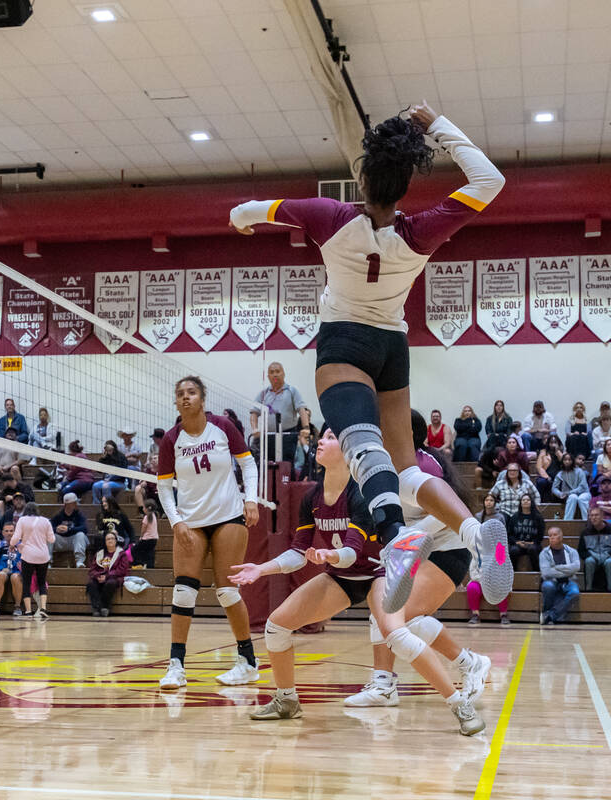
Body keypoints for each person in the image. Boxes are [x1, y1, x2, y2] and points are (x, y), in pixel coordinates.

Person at [230, 101, 510, 615]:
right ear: (405, 186)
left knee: (362, 447)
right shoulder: (421, 230)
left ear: (361, 179)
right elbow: (489, 180)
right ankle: (473, 531)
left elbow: (249, 210)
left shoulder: (328, 216)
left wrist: (241, 219)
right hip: (392, 346)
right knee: (406, 466)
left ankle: (396, 536)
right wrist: (438, 125)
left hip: (345, 342)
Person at [230, 427, 489, 734]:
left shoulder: (365, 493)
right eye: (322, 437)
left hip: (377, 571)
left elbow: (353, 552)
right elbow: (297, 552)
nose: (321, 441)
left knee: (397, 633)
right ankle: (286, 699)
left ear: (348, 450)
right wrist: (263, 569)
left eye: (329, 437)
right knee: (276, 625)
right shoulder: (312, 496)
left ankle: (460, 704)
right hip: (342, 576)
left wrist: (330, 556)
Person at [156, 375, 261, 689]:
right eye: (180, 394)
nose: (185, 397)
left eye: (191, 393)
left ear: (203, 398)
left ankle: (247, 662)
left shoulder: (223, 427)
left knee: (227, 591)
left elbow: (248, 464)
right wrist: (176, 521)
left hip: (228, 516)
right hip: (191, 522)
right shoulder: (171, 440)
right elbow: (163, 487)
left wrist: (251, 499)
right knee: (183, 592)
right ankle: (176, 665)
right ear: (176, 402)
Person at [249, 361, 311, 464]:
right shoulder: (263, 394)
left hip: (288, 435)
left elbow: (302, 409)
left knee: (287, 464)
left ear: (283, 373)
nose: (275, 374)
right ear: (268, 376)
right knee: (268, 465)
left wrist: (306, 428)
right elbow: (254, 412)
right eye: (272, 372)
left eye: (278, 371)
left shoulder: (292, 391)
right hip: (268, 436)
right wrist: (255, 429)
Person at [11, 502, 54, 621]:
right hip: (43, 555)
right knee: (41, 582)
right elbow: (52, 539)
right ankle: (43, 609)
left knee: (26, 583)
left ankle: (28, 611)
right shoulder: (45, 521)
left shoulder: (22, 520)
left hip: (28, 555)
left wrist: (12, 544)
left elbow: (16, 537)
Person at [539, 527, 580, 624]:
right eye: (550, 536)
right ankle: (546, 611)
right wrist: (567, 569)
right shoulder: (544, 553)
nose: (552, 538)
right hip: (551, 580)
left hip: (568, 580)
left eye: (555, 535)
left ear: (561, 537)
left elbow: (576, 567)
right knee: (548, 586)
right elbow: (546, 572)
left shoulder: (572, 551)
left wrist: (557, 567)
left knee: (574, 592)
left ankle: (550, 615)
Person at [87, 531, 131, 616]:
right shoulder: (99, 554)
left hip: (114, 577)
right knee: (91, 583)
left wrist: (106, 576)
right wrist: (97, 576)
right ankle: (96, 608)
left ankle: (105, 607)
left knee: (110, 583)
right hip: (100, 577)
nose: (110, 540)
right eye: (108, 539)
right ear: (105, 542)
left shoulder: (121, 554)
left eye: (112, 538)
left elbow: (121, 570)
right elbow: (92, 570)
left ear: (115, 541)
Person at [579, 511, 611, 592]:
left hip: (610, 557)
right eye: (591, 515)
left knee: (609, 562)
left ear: (602, 517)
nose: (594, 517)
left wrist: (609, 555)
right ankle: (588, 590)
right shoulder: (585, 532)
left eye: (596, 515)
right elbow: (581, 550)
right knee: (589, 561)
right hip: (592, 557)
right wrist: (590, 555)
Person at [0, 520, 27, 616]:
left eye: (11, 531)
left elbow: (24, 561)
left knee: (15, 577)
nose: (9, 533)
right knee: (1, 575)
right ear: (2, 533)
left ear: (15, 532)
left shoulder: (21, 545)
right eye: (6, 531)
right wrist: (0, 568)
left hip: (17, 571)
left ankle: (18, 607)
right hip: (3, 570)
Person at [50, 491, 90, 567]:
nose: (76, 504)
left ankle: (79, 562)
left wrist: (69, 529)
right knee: (50, 536)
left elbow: (85, 528)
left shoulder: (79, 514)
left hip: (74, 542)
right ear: (67, 504)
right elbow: (49, 528)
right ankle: (48, 562)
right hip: (61, 542)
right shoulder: (58, 515)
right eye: (74, 502)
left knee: (80, 535)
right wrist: (56, 529)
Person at [506, 493, 544, 571]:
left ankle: (537, 573)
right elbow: (509, 535)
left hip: (533, 544)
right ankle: (513, 573)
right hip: (518, 544)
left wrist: (531, 543)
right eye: (523, 500)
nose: (526, 501)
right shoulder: (514, 517)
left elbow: (540, 535)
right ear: (520, 503)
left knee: (532, 550)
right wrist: (517, 542)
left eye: (528, 500)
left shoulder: (538, 517)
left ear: (531, 502)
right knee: (513, 550)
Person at [553, 452, 591, 520]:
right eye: (565, 460)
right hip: (571, 495)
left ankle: (587, 520)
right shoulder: (560, 474)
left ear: (572, 461)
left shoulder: (579, 471)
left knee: (581, 499)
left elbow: (582, 487)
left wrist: (568, 493)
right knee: (573, 497)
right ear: (562, 461)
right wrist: (560, 494)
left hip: (584, 493)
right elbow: (554, 488)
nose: (567, 462)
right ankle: (567, 521)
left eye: (569, 460)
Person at [133, 499, 160, 569]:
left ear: (148, 508)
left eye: (144, 507)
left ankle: (139, 564)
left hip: (147, 539)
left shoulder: (146, 517)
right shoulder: (154, 516)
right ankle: (150, 565)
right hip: (154, 539)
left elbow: (143, 529)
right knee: (150, 552)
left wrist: (141, 537)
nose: (143, 509)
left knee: (135, 550)